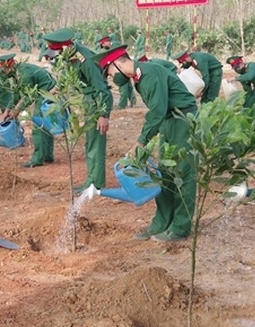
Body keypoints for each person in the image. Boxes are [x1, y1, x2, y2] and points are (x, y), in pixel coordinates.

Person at [91, 45, 197, 242]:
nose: (112, 78)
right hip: (169, 121)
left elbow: (157, 110)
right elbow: (160, 113)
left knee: (183, 171)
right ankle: (162, 222)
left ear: (117, 63)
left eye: (111, 72)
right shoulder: (140, 77)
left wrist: (141, 141)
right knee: (164, 173)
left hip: (183, 120)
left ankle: (181, 227)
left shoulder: (150, 74)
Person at [43, 28, 113, 190]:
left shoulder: (85, 61)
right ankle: (92, 180)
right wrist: (55, 90)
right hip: (86, 102)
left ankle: (96, 184)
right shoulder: (70, 56)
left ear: (66, 48)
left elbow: (102, 89)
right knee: (90, 143)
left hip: (96, 103)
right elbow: (69, 75)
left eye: (58, 53)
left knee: (95, 144)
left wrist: (103, 114)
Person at [99, 36, 136, 109]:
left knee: (123, 87)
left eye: (103, 45)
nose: (104, 47)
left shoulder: (114, 46)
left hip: (121, 68)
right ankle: (133, 101)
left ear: (106, 42)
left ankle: (122, 105)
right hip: (125, 67)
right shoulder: (115, 45)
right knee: (128, 86)